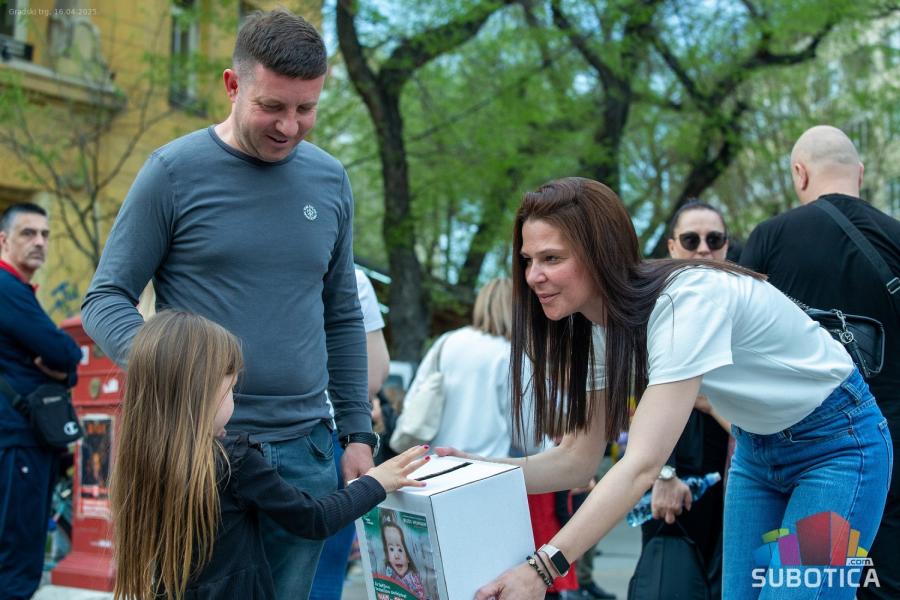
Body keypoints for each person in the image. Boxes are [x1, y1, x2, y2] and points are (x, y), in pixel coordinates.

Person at [436, 177, 892, 600]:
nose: (534, 276)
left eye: (552, 258)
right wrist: (477, 469)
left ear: (600, 254)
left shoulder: (683, 301)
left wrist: (541, 569)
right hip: (757, 451)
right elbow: (576, 461)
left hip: (839, 446)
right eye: (528, 261)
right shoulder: (598, 327)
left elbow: (641, 465)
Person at [81, 9, 376, 598]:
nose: (290, 127)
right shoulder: (171, 172)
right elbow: (105, 299)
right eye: (273, 106)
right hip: (197, 455)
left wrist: (357, 433)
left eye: (306, 108)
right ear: (233, 85)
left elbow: (342, 315)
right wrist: (175, 365)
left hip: (307, 450)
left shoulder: (330, 179)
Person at [110, 311, 428, 600]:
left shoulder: (143, 459)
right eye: (231, 389)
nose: (233, 401)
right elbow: (314, 519)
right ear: (202, 391)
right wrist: (375, 483)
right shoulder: (234, 461)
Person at [740, 125, 900, 599]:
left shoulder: (770, 238)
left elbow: (743, 348)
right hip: (889, 446)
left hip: (797, 451)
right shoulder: (896, 237)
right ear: (861, 173)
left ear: (799, 172)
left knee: (788, 585)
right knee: (879, 586)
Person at [635, 201, 732, 597]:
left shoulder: (741, 300)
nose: (704, 248)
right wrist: (665, 474)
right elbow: (644, 395)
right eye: (691, 239)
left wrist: (710, 402)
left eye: (715, 239)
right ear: (673, 246)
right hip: (680, 474)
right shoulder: (658, 304)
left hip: (735, 472)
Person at [0, 203, 82, 600]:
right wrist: (66, 370)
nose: (39, 242)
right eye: (28, 233)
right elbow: (64, 351)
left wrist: (63, 369)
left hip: (18, 441)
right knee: (19, 559)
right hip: (18, 442)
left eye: (45, 235)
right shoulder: (7, 288)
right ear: (3, 240)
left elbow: (58, 360)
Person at [310, 268, 390, 600]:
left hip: (224, 432)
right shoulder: (351, 277)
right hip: (324, 434)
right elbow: (372, 375)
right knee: (322, 571)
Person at [398, 277, 517, 457]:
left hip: (431, 462)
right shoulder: (511, 354)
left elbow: (414, 396)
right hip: (486, 469)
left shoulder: (447, 341)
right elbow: (525, 430)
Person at [381, 517, 425, 598]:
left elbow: (420, 594)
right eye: (391, 549)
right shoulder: (389, 572)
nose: (396, 556)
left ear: (409, 556)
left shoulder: (412, 578)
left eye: (400, 550)